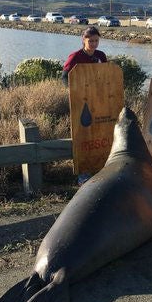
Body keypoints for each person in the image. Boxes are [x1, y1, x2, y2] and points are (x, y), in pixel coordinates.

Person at [61, 26, 107, 185]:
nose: (94, 44)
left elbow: (105, 77)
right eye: (90, 41)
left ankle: (99, 166)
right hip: (81, 102)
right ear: (83, 40)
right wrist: (76, 93)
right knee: (82, 135)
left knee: (97, 134)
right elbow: (64, 78)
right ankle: (83, 172)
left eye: (96, 41)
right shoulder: (75, 57)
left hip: (98, 101)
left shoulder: (101, 56)